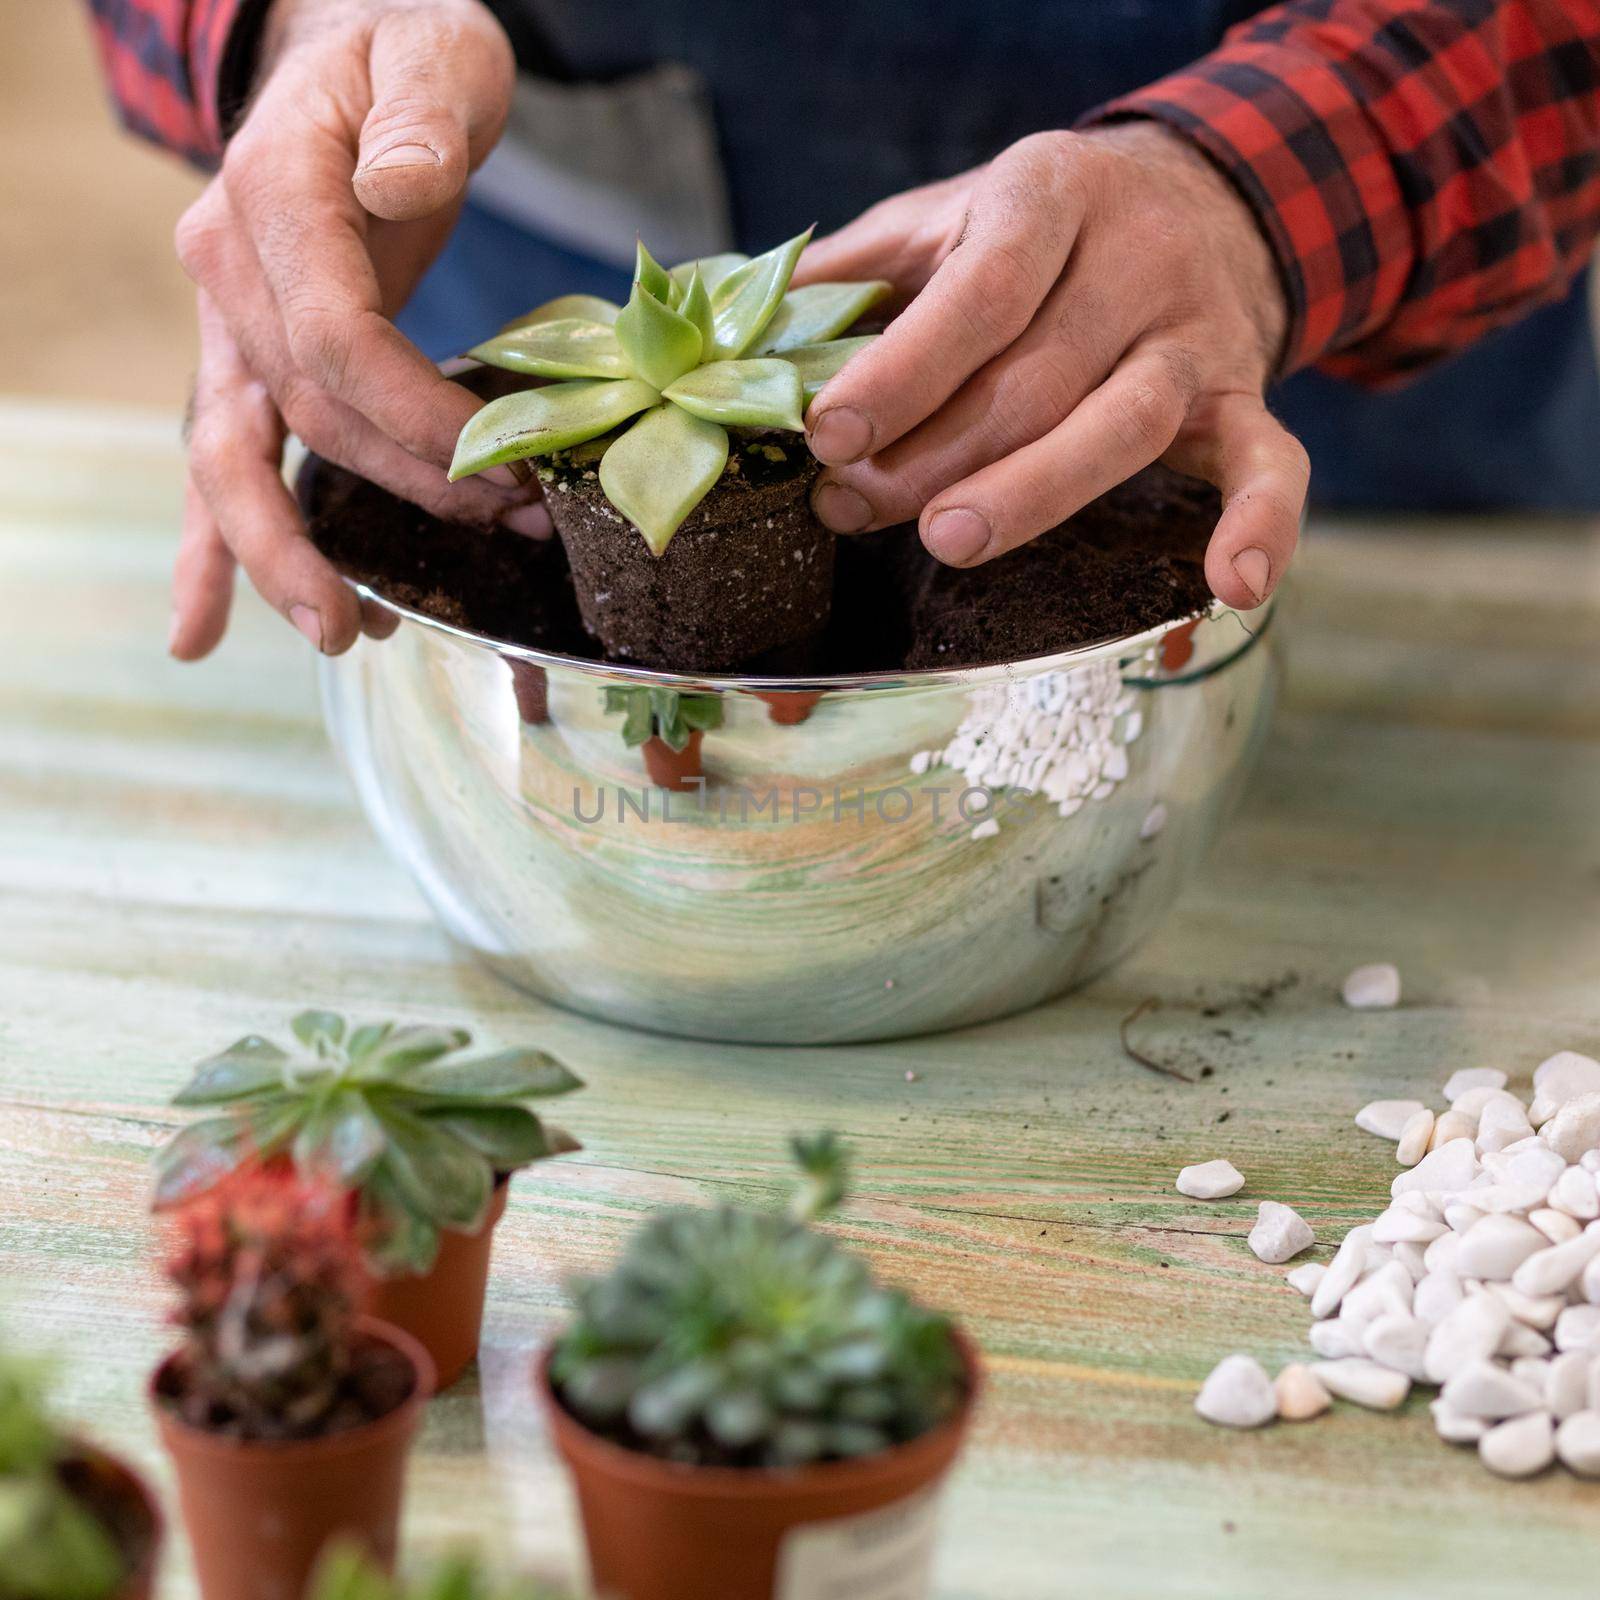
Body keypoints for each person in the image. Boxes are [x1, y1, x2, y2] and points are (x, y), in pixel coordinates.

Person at [88, 0, 1600, 661]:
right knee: (489, 503)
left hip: (1349, 326)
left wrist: (1256, 189)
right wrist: (302, 28)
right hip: (523, 232)